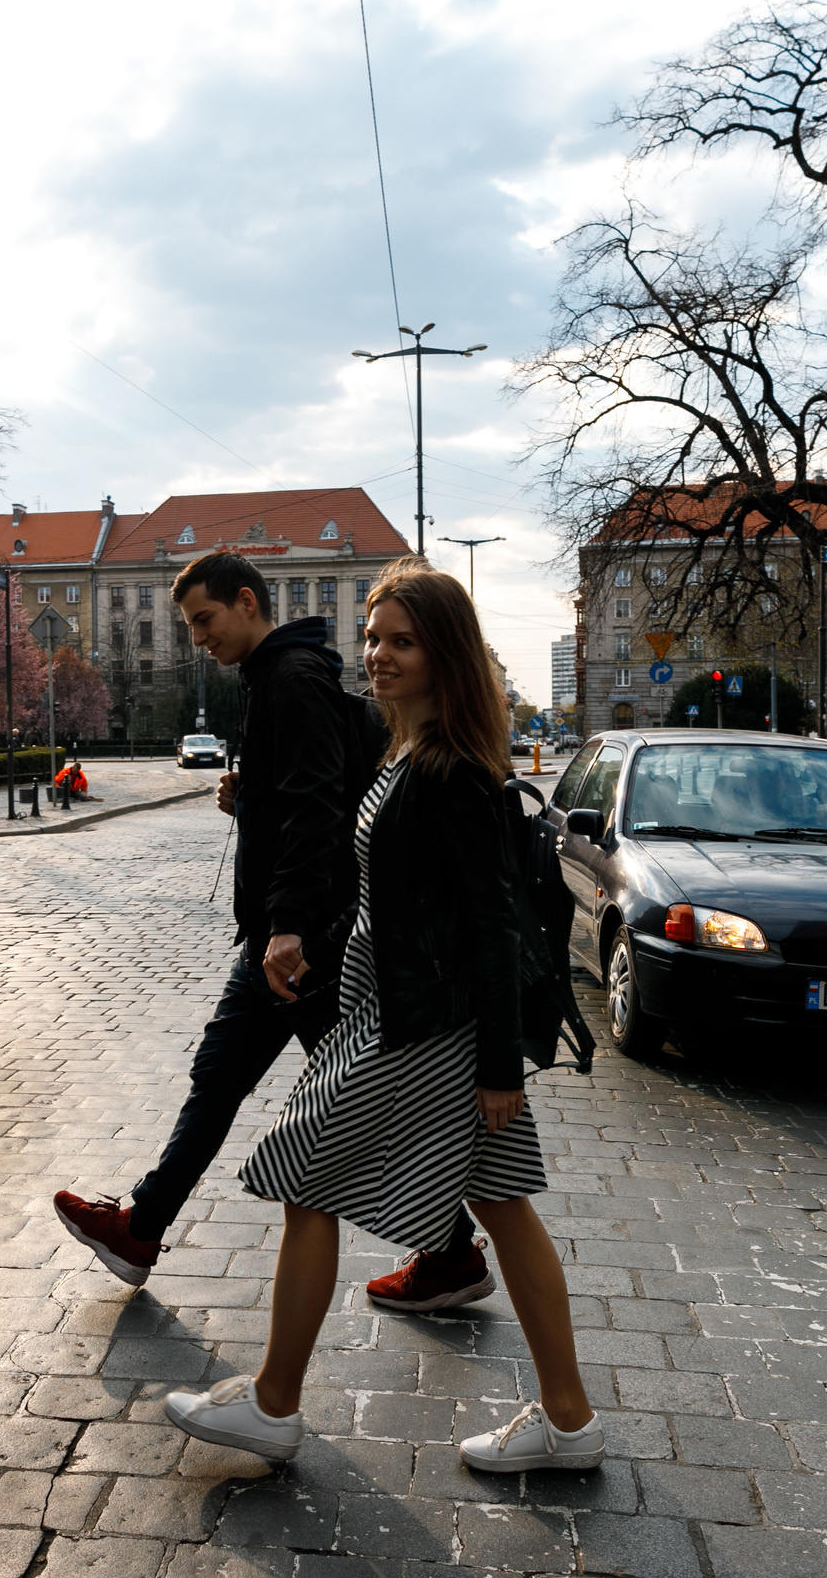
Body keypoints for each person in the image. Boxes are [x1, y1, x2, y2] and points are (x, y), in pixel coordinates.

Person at [163, 558, 599, 1472]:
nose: (379, 653)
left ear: (445, 654)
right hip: (404, 1012)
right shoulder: (408, 749)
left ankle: (275, 1405)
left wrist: (499, 1072)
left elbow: (489, 927)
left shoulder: (451, 773)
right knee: (507, 1211)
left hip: (422, 1031)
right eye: (373, 637)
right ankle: (570, 1423)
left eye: (402, 640)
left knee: (300, 1173)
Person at [55, 550, 491, 1312]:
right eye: (190, 624)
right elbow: (307, 791)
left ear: (249, 603)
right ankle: (141, 1225)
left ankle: (450, 1252)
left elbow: (320, 806)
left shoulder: (288, 681)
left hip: (302, 939)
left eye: (205, 620)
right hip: (296, 931)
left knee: (308, 1091)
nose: (196, 637)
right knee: (229, 1076)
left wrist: (288, 925)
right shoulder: (281, 676)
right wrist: (250, 799)